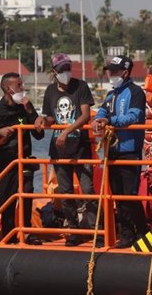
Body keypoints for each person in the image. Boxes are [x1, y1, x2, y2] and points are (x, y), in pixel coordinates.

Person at [42, 53, 99, 247]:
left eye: (68, 68)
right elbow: (50, 117)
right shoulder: (50, 91)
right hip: (59, 151)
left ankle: (95, 230)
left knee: (88, 190)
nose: (65, 72)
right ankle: (73, 230)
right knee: (65, 193)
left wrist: (67, 131)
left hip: (79, 147)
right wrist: (42, 121)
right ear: (54, 72)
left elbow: (85, 116)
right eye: (61, 69)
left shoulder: (80, 86)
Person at [91, 55, 148, 248]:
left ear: (125, 72)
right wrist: (98, 121)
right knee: (117, 195)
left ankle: (142, 231)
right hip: (112, 150)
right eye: (109, 71)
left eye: (114, 71)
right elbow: (102, 111)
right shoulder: (111, 94)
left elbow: (134, 116)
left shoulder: (136, 92)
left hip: (129, 149)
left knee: (129, 195)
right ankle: (126, 234)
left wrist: (111, 122)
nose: (110, 75)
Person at [0, 72, 45, 245]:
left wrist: (31, 111)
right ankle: (9, 235)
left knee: (26, 193)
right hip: (3, 162)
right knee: (7, 200)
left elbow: (39, 135)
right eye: (19, 85)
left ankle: (27, 232)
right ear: (9, 89)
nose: (22, 88)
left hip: (23, 160)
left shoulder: (25, 107)